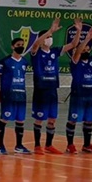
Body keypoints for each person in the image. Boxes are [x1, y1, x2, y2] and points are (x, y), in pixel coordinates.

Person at [65, 22, 92, 154]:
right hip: (78, 95)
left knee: (88, 121)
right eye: (83, 49)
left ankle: (87, 145)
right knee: (73, 120)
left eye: (87, 49)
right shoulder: (75, 62)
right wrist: (88, 38)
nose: (85, 50)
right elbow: (78, 51)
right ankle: (70, 145)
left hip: (90, 95)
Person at [30, 18, 66, 154]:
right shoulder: (36, 52)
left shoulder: (55, 52)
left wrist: (79, 31)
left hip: (52, 89)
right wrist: (50, 30)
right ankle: (37, 146)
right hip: (41, 89)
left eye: (51, 37)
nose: (50, 39)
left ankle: (49, 145)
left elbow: (72, 45)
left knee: (52, 118)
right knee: (39, 118)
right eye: (47, 37)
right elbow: (35, 44)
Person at [0, 36, 34, 155]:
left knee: (20, 120)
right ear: (12, 46)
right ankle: (1, 146)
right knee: (4, 118)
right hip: (8, 95)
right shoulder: (5, 61)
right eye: (18, 44)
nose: (20, 46)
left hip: (21, 94)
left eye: (22, 44)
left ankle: (19, 145)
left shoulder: (24, 62)